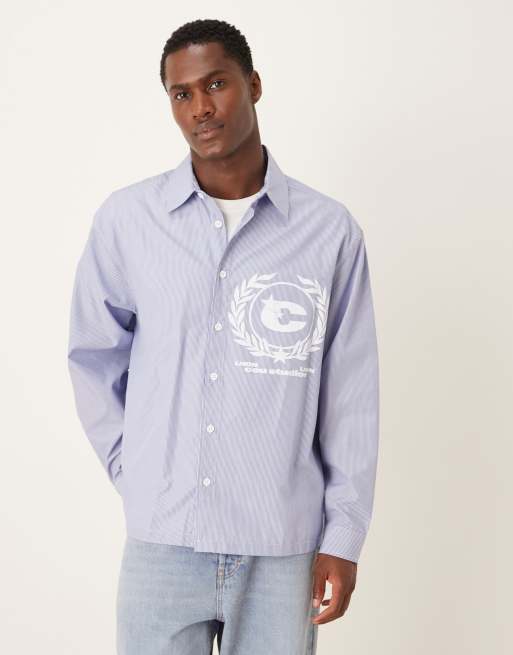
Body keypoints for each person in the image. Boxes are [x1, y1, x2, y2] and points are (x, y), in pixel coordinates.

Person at [67, 18, 380, 655]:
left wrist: (343, 538)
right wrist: (136, 471)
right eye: (181, 94)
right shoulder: (128, 221)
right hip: (162, 543)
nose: (200, 108)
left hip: (282, 547)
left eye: (216, 84)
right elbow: (94, 357)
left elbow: (351, 395)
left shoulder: (329, 232)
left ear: (254, 85)